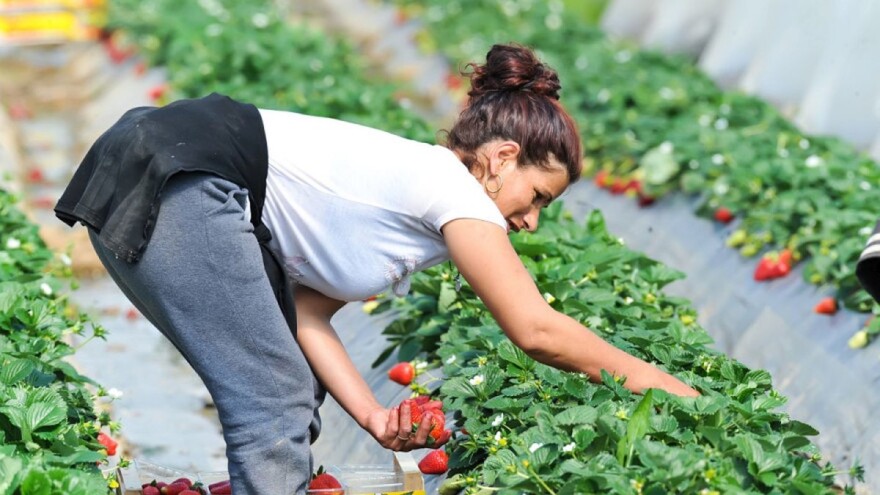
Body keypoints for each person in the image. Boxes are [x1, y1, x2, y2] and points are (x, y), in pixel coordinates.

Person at [55, 43, 699, 494]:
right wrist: (670, 390)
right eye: (538, 198)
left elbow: (305, 317)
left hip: (160, 165)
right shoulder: (453, 191)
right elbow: (536, 331)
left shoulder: (421, 202)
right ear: (503, 158)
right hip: (182, 179)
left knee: (288, 390)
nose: (532, 222)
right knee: (272, 401)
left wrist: (372, 418)